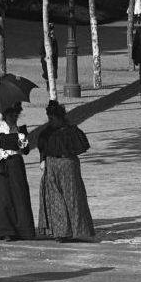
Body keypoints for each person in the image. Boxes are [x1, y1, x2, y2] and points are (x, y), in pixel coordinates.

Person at [34, 100, 97, 242]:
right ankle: (61, 232)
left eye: (52, 118)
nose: (50, 121)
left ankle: (77, 231)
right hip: (52, 166)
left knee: (72, 197)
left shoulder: (71, 131)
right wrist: (43, 161)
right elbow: (43, 148)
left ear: (60, 117)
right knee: (55, 198)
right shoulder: (47, 132)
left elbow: (79, 146)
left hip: (68, 167)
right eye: (49, 118)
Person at [0, 106, 36, 240]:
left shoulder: (20, 131)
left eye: (15, 116)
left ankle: (21, 231)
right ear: (5, 116)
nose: (13, 118)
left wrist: (23, 140)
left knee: (18, 195)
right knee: (2, 196)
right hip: (1, 166)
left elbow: (26, 151)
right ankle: (4, 230)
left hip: (16, 165)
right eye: (11, 116)